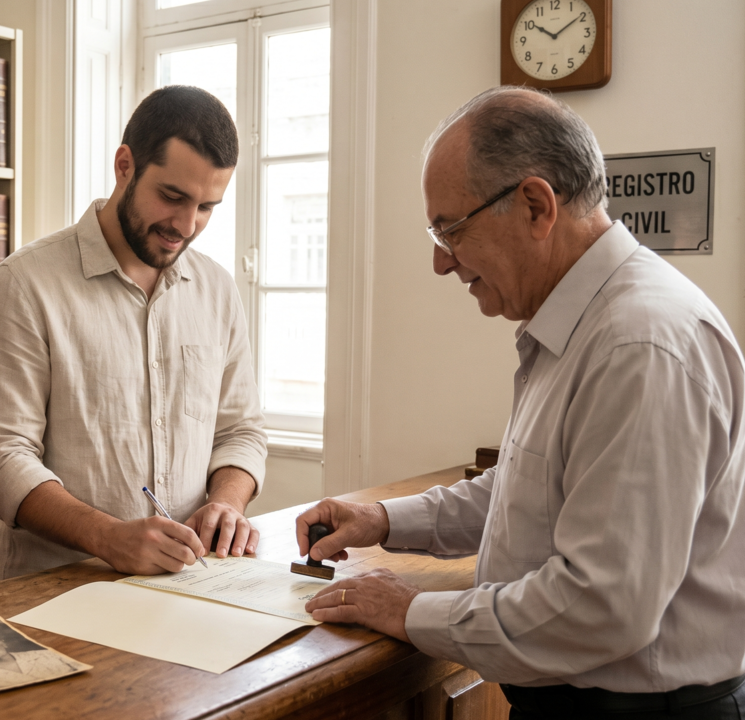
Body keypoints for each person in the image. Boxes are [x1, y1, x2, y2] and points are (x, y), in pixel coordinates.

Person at [296, 87, 745, 718]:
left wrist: (410, 611)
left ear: (536, 206)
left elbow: (602, 608)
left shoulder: (637, 344)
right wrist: (383, 521)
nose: (439, 262)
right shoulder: (585, 325)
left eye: (450, 229)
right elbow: (526, 494)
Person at [0, 85, 268, 579]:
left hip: (192, 585)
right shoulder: (25, 284)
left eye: (206, 207)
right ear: (124, 165)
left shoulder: (217, 288)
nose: (186, 225)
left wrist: (227, 503)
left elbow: (240, 431)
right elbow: (0, 456)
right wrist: (107, 537)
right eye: (172, 197)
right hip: (57, 594)